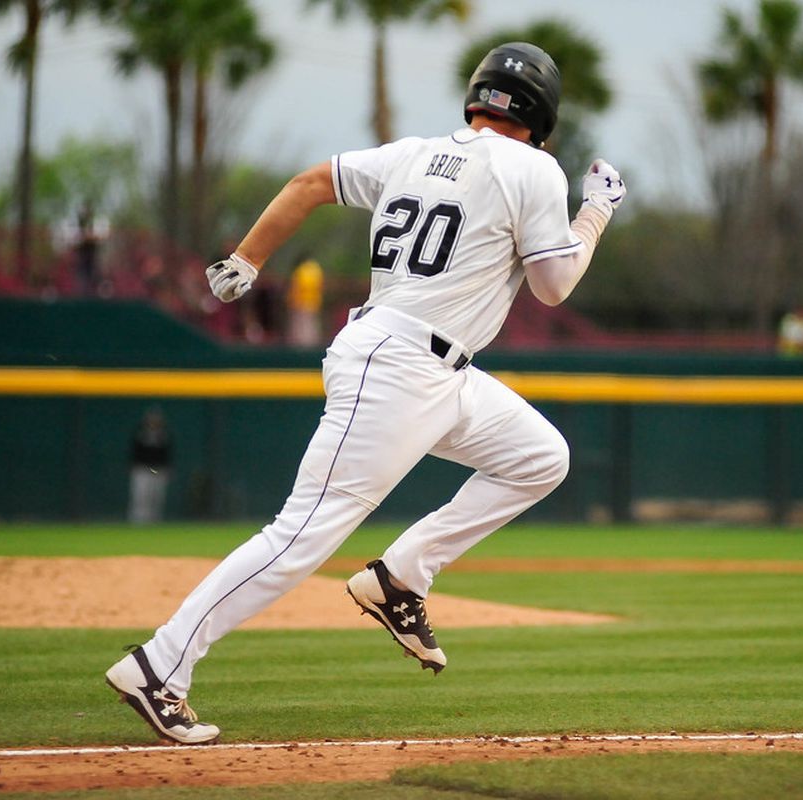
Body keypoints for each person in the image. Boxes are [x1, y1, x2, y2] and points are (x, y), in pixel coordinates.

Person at [105, 42, 626, 745]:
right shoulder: (532, 167)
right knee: (299, 536)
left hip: (433, 368)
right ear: (542, 115)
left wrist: (245, 260)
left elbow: (307, 183)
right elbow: (555, 284)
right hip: (399, 367)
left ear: (476, 98)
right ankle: (158, 665)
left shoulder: (410, 153)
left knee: (539, 457)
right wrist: (594, 213)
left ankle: (401, 576)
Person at [128, 408, 173, 524]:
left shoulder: (164, 435)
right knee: (141, 496)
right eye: (151, 420)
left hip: (158, 471)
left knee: (156, 497)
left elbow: (168, 455)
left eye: (156, 420)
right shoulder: (140, 434)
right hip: (142, 470)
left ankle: (155, 521)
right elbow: (134, 453)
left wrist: (167, 469)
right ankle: (138, 521)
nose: (154, 422)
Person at [286, 255, 324, 346]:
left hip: (301, 303)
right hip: (313, 302)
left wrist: (292, 301)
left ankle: (302, 347)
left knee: (301, 327)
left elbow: (296, 288)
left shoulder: (301, 270)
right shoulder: (316, 269)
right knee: (311, 325)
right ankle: (311, 345)